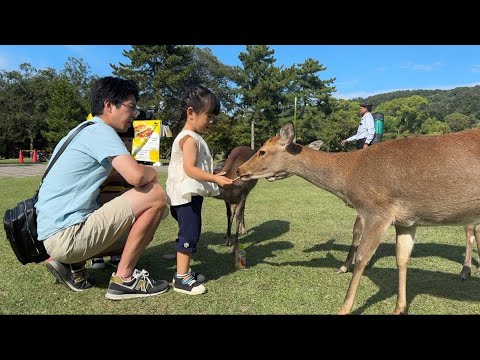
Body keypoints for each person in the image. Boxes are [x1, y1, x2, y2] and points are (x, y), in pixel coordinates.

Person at [36, 76, 170, 300]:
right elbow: (136, 176)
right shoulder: (102, 131)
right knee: (155, 195)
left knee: (128, 206)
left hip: (53, 234)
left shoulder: (80, 131)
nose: (135, 115)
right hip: (67, 235)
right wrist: (153, 173)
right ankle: (124, 280)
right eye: (131, 107)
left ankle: (72, 263)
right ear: (109, 105)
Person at [166, 85, 234, 295]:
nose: (212, 121)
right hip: (185, 197)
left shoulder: (193, 137)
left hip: (189, 195)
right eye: (210, 116)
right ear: (191, 113)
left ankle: (185, 272)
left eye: (215, 117)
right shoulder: (189, 139)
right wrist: (214, 178)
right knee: (189, 233)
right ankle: (181, 279)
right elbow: (190, 169)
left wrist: (214, 173)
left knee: (191, 232)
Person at [90, 125, 135, 270]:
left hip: (121, 200)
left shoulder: (131, 160)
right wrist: (114, 176)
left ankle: (117, 254)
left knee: (120, 229)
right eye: (124, 140)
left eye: (130, 140)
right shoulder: (106, 159)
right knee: (101, 230)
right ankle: (97, 256)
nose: (128, 144)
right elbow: (96, 181)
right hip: (103, 202)